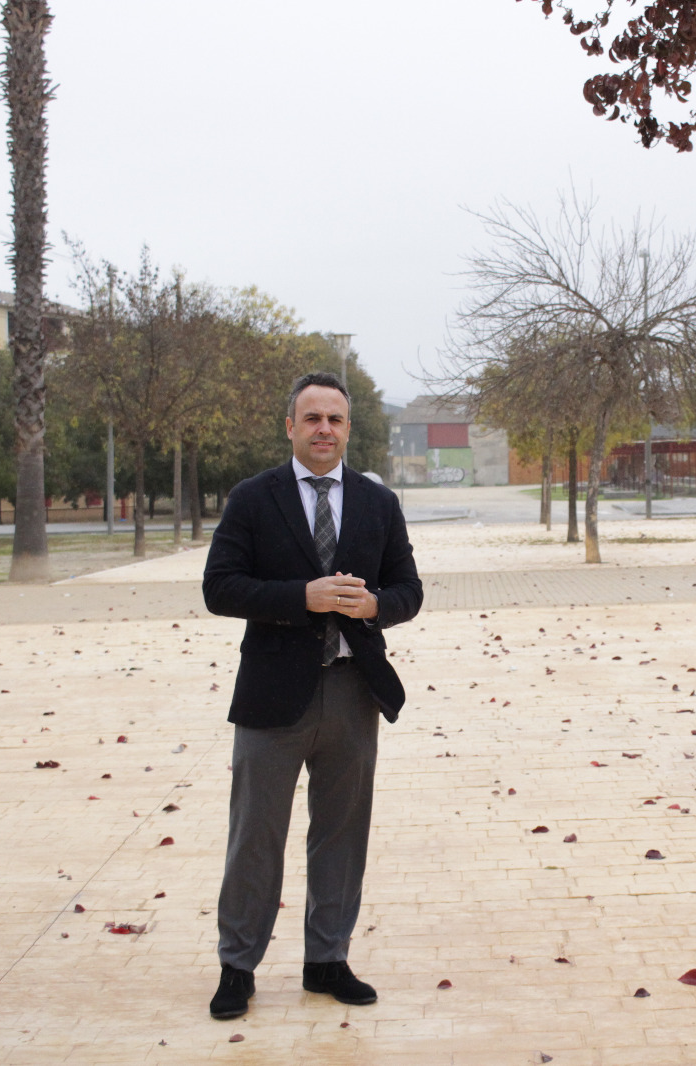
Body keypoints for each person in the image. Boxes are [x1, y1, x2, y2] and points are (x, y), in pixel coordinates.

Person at [201, 371, 422, 1020]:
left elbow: (408, 589)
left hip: (354, 693)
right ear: (291, 426)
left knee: (342, 836)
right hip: (273, 699)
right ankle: (237, 967)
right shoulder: (252, 498)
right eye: (313, 418)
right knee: (255, 837)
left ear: (348, 429)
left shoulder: (378, 504)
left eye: (336, 419)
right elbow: (220, 587)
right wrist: (302, 598)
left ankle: (327, 959)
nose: (324, 429)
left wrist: (377, 604)